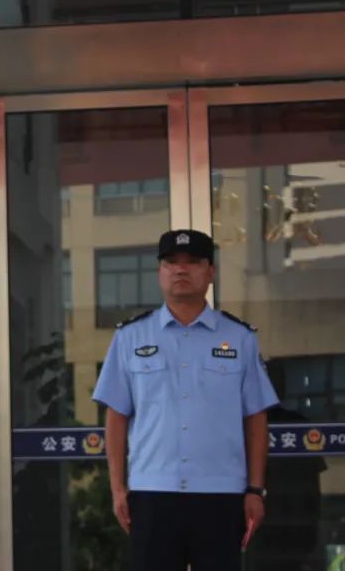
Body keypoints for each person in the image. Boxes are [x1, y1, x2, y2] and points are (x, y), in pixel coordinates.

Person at [92, 229, 279, 571]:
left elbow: (255, 417)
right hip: (151, 492)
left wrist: (255, 489)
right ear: (159, 272)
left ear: (211, 272)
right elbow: (116, 416)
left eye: (193, 262)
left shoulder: (239, 338)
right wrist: (118, 488)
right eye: (171, 262)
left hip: (221, 494)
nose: (181, 269)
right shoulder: (130, 337)